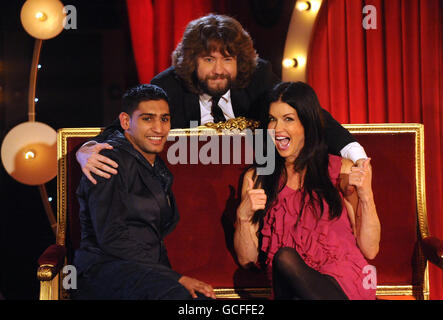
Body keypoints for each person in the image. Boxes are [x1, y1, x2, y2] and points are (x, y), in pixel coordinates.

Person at [75, 14, 368, 184]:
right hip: (189, 189)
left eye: (227, 59)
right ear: (192, 61)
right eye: (208, 59)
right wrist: (87, 149)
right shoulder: (168, 86)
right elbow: (124, 128)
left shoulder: (259, 77)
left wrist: (357, 156)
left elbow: (308, 114)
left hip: (257, 184)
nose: (219, 71)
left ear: (240, 61)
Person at [233, 82, 381, 300]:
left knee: (285, 259)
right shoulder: (257, 179)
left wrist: (365, 195)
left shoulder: (341, 170)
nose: (277, 129)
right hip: (289, 288)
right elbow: (247, 259)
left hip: (341, 284)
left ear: (308, 125)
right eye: (272, 119)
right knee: (285, 262)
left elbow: (370, 250)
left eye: (288, 119)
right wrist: (243, 217)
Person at [72, 84, 216, 300]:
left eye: (164, 119)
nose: (159, 129)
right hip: (104, 271)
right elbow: (112, 237)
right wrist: (176, 278)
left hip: (145, 271)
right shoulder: (106, 162)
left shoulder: (156, 166)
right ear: (125, 121)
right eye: (147, 119)